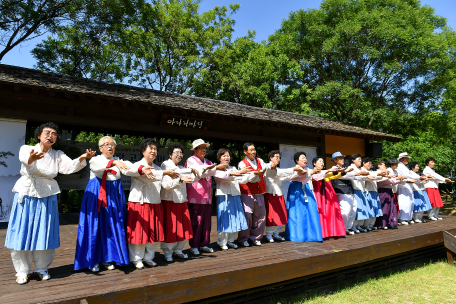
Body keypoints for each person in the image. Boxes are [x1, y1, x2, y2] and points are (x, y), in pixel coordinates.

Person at [5, 122, 94, 284]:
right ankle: (22, 271)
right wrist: (32, 158)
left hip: (48, 193)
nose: (50, 135)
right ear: (39, 135)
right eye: (47, 132)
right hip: (27, 192)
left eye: (54, 133)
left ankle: (41, 268)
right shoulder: (26, 148)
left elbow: (69, 167)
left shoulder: (57, 154)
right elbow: (25, 159)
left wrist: (82, 158)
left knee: (44, 232)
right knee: (22, 231)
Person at [121, 138, 180, 269]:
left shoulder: (158, 167)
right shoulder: (137, 165)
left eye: (155, 149)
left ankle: (149, 257)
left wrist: (180, 181)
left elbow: (165, 184)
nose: (153, 151)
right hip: (139, 202)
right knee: (139, 232)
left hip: (154, 202)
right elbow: (139, 172)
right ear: (143, 151)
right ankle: (136, 259)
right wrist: (165, 172)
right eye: (150, 148)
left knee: (153, 231)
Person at [74, 136, 130, 272]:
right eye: (106, 144)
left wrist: (142, 169)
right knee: (94, 226)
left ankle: (108, 258)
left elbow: (131, 168)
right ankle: (92, 260)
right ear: (100, 148)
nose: (110, 146)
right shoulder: (95, 160)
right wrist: (114, 163)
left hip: (114, 197)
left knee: (112, 225)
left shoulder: (119, 161)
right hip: (96, 195)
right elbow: (98, 167)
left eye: (112, 144)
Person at [160, 143, 203, 262]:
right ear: (170, 154)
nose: (179, 155)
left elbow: (192, 178)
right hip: (169, 201)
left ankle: (178, 250)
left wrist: (198, 172)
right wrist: (180, 180)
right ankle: (168, 252)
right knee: (171, 227)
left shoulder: (182, 168)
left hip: (181, 200)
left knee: (182, 227)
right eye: (176, 153)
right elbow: (166, 185)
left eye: (181, 153)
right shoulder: (165, 165)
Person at [185, 139, 227, 255]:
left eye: (205, 148)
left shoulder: (208, 162)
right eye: (201, 147)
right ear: (195, 150)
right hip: (196, 196)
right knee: (196, 221)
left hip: (207, 196)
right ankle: (194, 246)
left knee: (206, 222)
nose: (204, 150)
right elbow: (200, 173)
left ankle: (204, 244)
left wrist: (231, 173)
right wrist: (216, 168)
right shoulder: (191, 160)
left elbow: (215, 172)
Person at [213, 148, 256, 249]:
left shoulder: (233, 168)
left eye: (228, 155)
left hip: (235, 195)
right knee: (225, 218)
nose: (226, 157)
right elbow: (224, 177)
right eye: (224, 156)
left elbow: (241, 180)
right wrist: (240, 172)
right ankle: (222, 242)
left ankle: (231, 240)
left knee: (235, 217)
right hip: (224, 195)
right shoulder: (217, 169)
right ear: (219, 158)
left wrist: (252, 174)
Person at [264, 150, 305, 242]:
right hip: (271, 193)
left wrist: (296, 173)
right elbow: (279, 173)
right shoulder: (267, 167)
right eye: (276, 157)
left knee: (281, 214)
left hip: (279, 193)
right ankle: (269, 234)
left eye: (279, 157)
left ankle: (276, 233)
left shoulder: (277, 169)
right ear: (270, 157)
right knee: (272, 215)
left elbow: (284, 176)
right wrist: (294, 169)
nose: (278, 159)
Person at [237, 142, 272, 246]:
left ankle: (256, 237)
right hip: (247, 192)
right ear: (245, 152)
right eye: (251, 150)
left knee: (261, 215)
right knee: (247, 215)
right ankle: (243, 238)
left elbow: (266, 170)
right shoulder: (242, 163)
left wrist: (270, 167)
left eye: (254, 149)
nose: (253, 152)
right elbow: (242, 179)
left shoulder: (260, 160)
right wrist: (254, 173)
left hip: (259, 192)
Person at [285, 151, 322, 242]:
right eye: (302, 158)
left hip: (307, 189)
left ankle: (312, 234)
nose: (305, 159)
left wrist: (328, 171)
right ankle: (299, 235)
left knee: (311, 209)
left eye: (305, 157)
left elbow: (317, 176)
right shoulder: (295, 169)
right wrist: (312, 172)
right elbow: (297, 176)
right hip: (296, 190)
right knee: (298, 211)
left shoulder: (307, 169)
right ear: (297, 160)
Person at [330, 152, 368, 235]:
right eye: (340, 158)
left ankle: (347, 228)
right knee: (345, 210)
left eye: (343, 158)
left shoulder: (344, 168)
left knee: (353, 210)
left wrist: (366, 177)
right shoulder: (334, 168)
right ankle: (341, 228)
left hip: (349, 191)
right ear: (335, 160)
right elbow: (344, 176)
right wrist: (358, 173)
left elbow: (353, 176)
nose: (343, 159)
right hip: (341, 191)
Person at [311, 157, 347, 238]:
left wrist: (344, 172)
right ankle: (322, 232)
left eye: (323, 161)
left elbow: (332, 176)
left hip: (327, 194)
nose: (322, 163)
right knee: (321, 212)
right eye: (320, 161)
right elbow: (321, 175)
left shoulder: (325, 172)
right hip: (319, 194)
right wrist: (332, 171)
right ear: (314, 163)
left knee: (328, 212)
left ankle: (330, 232)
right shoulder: (313, 172)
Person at [374, 160, 402, 230]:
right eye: (383, 165)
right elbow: (386, 181)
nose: (385, 166)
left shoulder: (385, 173)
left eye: (384, 165)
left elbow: (390, 181)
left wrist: (398, 179)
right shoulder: (377, 172)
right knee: (384, 207)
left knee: (390, 207)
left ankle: (388, 223)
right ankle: (382, 224)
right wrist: (397, 179)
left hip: (388, 190)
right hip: (382, 191)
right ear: (378, 166)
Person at [360, 157, 384, 230]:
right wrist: (379, 174)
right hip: (367, 191)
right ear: (363, 163)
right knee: (369, 208)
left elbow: (377, 177)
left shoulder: (371, 171)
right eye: (369, 163)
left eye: (371, 164)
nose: (370, 165)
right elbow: (369, 178)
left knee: (375, 208)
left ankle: (371, 224)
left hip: (374, 191)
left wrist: (382, 175)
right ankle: (366, 225)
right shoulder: (362, 170)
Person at [396, 152, 419, 225]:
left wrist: (418, 178)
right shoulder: (399, 166)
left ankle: (408, 218)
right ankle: (402, 218)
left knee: (410, 202)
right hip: (403, 186)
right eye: (406, 158)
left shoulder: (405, 167)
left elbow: (409, 175)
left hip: (409, 186)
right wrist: (419, 177)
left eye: (407, 158)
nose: (407, 160)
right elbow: (406, 176)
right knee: (404, 203)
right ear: (401, 159)